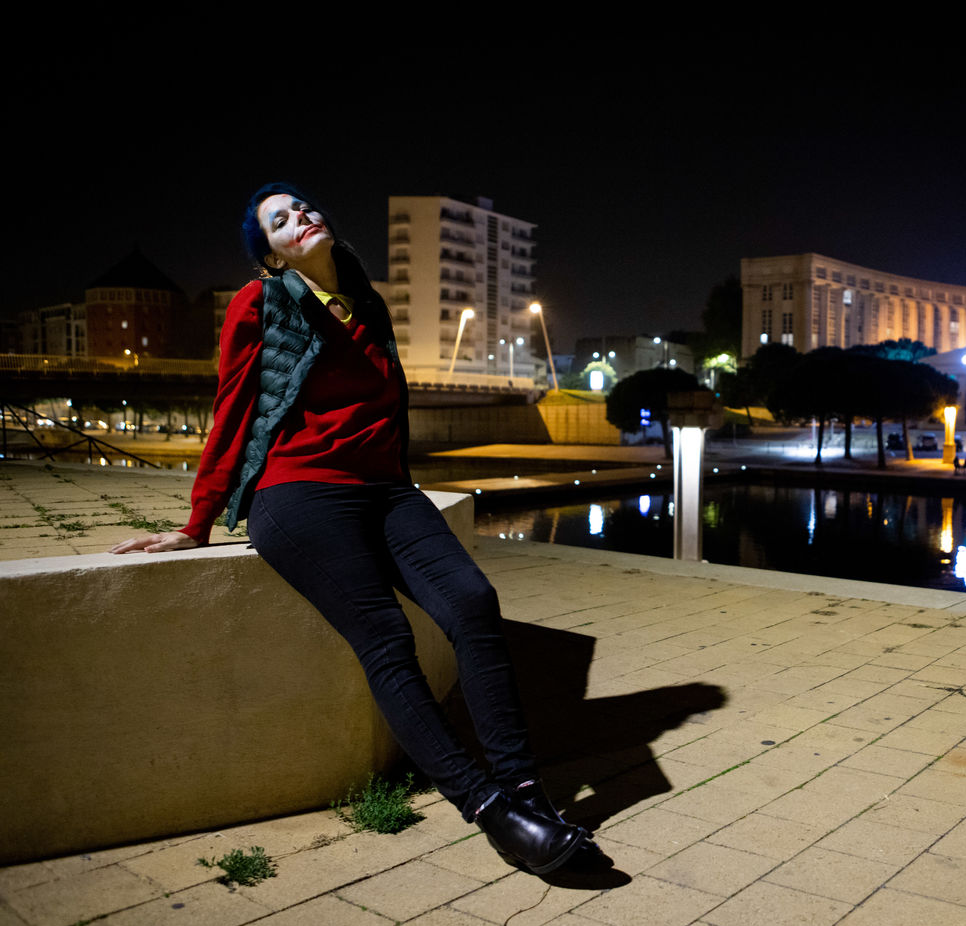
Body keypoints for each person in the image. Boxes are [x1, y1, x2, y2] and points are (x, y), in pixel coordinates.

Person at [110, 183, 603, 876]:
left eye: (302, 207)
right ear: (272, 255)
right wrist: (197, 522)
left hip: (385, 490)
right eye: (279, 220)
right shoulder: (260, 301)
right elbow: (233, 408)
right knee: (387, 638)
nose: (298, 217)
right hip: (298, 491)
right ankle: (491, 809)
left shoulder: (367, 303)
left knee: (473, 602)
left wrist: (398, 482)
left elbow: (387, 406)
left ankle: (528, 795)